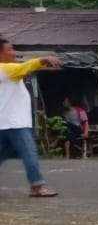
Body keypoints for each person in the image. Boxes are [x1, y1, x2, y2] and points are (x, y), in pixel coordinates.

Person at [0, 36, 62, 197]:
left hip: (5, 122)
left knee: (3, 153)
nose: (13, 53)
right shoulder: (6, 70)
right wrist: (43, 59)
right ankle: (37, 186)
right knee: (29, 152)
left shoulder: (7, 71)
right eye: (9, 50)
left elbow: (24, 68)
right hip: (15, 123)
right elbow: (26, 66)